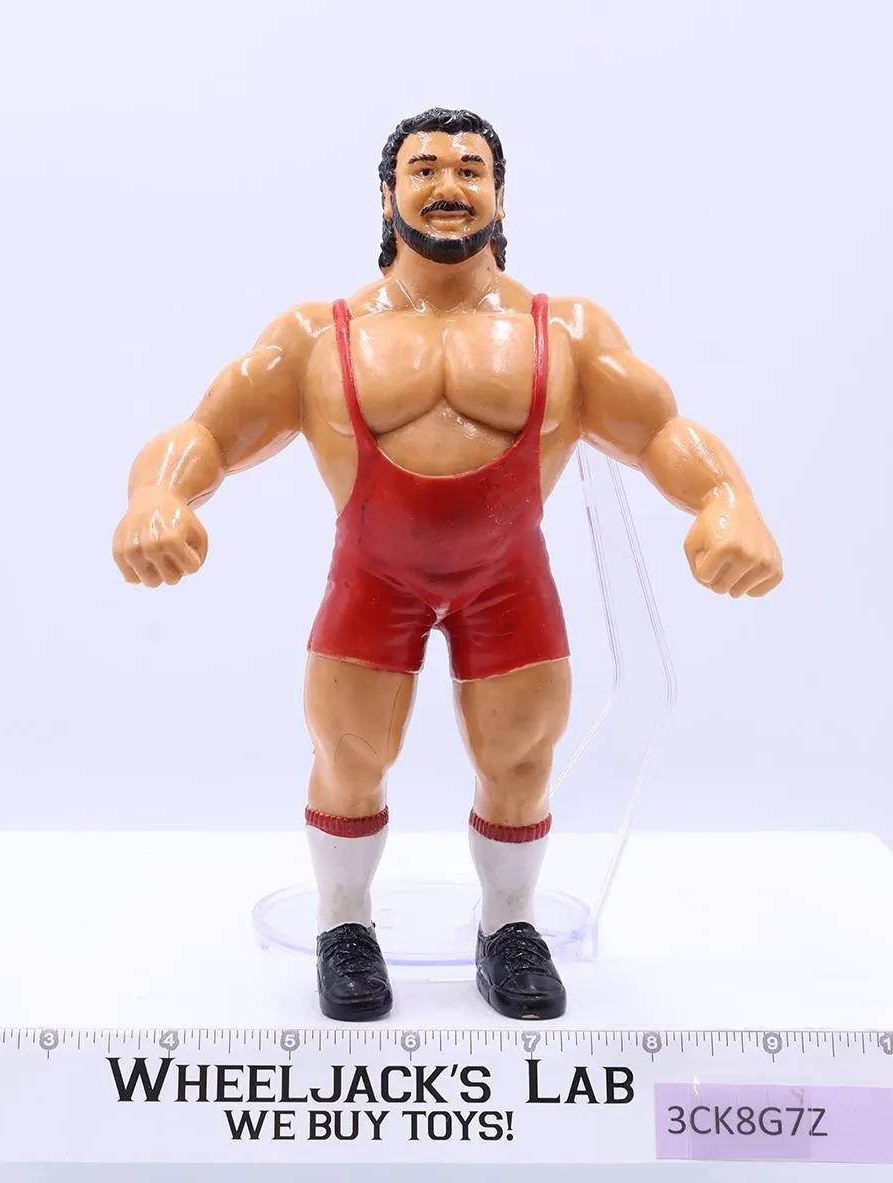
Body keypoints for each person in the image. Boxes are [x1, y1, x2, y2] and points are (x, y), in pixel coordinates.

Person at [112, 108, 782, 1023]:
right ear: (387, 194)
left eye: (471, 169)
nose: (448, 186)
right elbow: (207, 432)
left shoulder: (566, 329)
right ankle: (344, 923)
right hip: (371, 580)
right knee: (349, 752)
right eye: (425, 168)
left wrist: (728, 501)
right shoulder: (318, 334)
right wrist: (157, 496)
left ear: (501, 195)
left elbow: (663, 430)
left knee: (521, 757)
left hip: (509, 582)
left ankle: (510, 925)